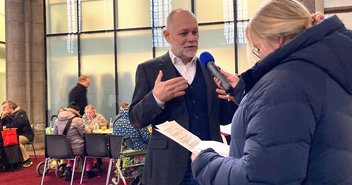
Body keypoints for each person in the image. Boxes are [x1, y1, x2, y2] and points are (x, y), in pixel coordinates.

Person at [191, 0, 352, 184]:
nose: (259, 57)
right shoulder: (326, 66)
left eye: (258, 48)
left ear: (277, 41)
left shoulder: (284, 85)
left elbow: (261, 177)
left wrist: (206, 163)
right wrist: (245, 92)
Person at [129, 8, 236, 185]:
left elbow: (224, 118)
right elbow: (136, 119)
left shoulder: (210, 70)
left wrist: (233, 99)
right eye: (184, 33)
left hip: (209, 164)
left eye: (195, 32)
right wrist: (156, 98)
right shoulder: (149, 70)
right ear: (167, 35)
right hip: (168, 168)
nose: (192, 38)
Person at [53, 104, 97, 181]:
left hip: (62, 149)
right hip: (77, 149)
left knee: (70, 149)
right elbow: (84, 135)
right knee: (90, 147)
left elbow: (55, 135)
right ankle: (88, 170)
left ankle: (68, 168)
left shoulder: (57, 120)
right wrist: (89, 129)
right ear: (76, 112)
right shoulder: (77, 120)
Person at [0, 100, 34, 168]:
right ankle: (10, 161)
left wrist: (7, 124)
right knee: (3, 141)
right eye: (2, 108)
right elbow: (1, 126)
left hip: (26, 135)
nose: (3, 109)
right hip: (12, 135)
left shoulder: (21, 113)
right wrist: (2, 118)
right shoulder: (5, 115)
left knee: (16, 140)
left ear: (11, 107)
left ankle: (27, 160)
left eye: (4, 107)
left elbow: (17, 125)